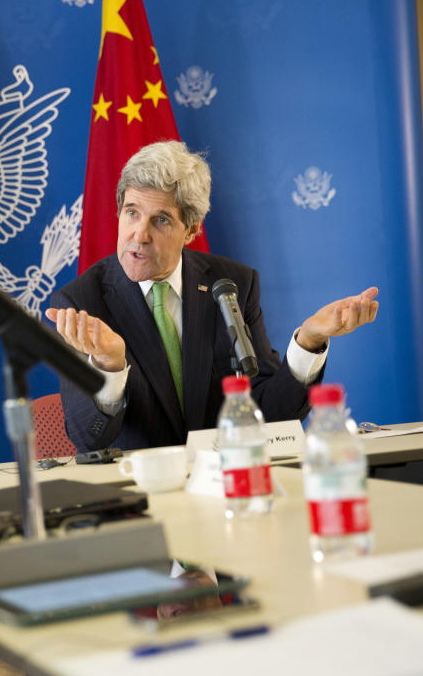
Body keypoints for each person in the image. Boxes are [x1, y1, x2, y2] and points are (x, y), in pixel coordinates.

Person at [47, 141, 378, 452]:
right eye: (131, 212)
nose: (139, 234)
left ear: (191, 230)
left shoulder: (233, 283)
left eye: (160, 220)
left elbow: (269, 415)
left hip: (225, 484)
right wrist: (110, 365)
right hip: (142, 496)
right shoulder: (81, 304)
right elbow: (87, 438)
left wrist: (308, 341)